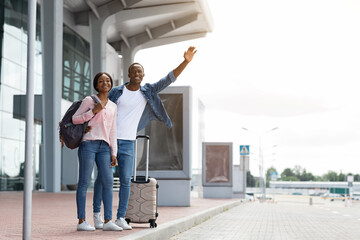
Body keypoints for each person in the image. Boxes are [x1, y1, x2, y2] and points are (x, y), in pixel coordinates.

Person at [93, 46, 197, 230]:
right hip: (110, 140)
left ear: (143, 74)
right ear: (129, 74)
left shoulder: (147, 91)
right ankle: (98, 216)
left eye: (140, 71)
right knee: (103, 179)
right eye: (134, 71)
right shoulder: (117, 91)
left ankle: (120, 218)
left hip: (129, 143)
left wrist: (186, 62)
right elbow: (101, 107)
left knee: (125, 181)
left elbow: (169, 79)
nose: (137, 74)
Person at [72, 72, 122, 231]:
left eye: (107, 80)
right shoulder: (89, 100)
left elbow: (113, 130)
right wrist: (93, 111)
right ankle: (81, 221)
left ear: (111, 84)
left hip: (105, 148)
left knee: (107, 182)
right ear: (96, 84)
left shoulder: (113, 106)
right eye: (101, 81)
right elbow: (75, 119)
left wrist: (114, 152)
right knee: (84, 182)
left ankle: (108, 221)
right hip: (88, 144)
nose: (105, 83)